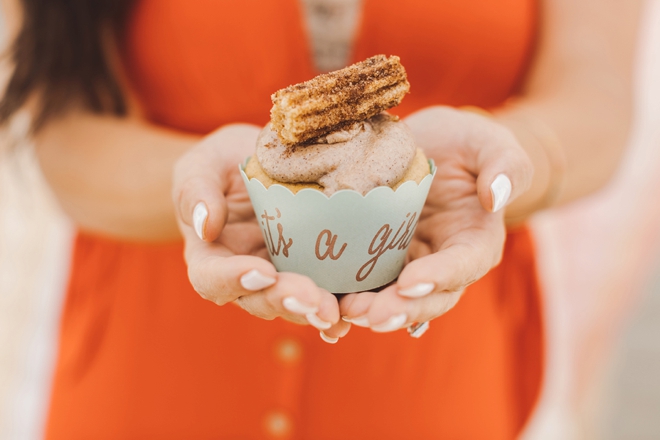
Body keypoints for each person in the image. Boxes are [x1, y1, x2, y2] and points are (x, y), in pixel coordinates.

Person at [0, 0, 642, 438]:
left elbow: (598, 98)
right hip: (151, 381)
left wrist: (503, 161)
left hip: (433, 391)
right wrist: (198, 183)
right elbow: (63, 130)